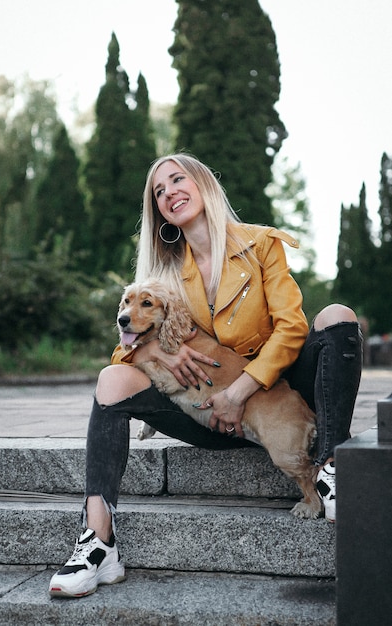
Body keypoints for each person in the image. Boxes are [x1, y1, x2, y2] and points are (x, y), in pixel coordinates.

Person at [49, 153, 362, 598]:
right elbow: (125, 346)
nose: (169, 192)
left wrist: (240, 390)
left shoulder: (261, 243)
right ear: (158, 209)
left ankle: (331, 469)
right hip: (206, 412)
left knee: (336, 315)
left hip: (275, 390)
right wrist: (157, 348)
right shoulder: (166, 273)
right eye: (159, 190)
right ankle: (98, 544)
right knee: (110, 379)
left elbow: (292, 327)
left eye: (177, 180)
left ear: (204, 186)